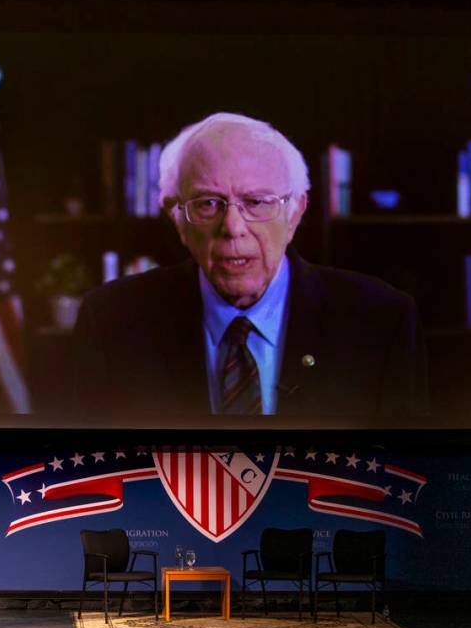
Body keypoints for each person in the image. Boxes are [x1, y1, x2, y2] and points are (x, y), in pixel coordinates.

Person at [73, 112, 427, 420]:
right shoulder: (109, 322)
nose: (233, 227)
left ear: (295, 214)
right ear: (178, 219)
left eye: (256, 202)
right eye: (208, 204)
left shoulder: (381, 322)